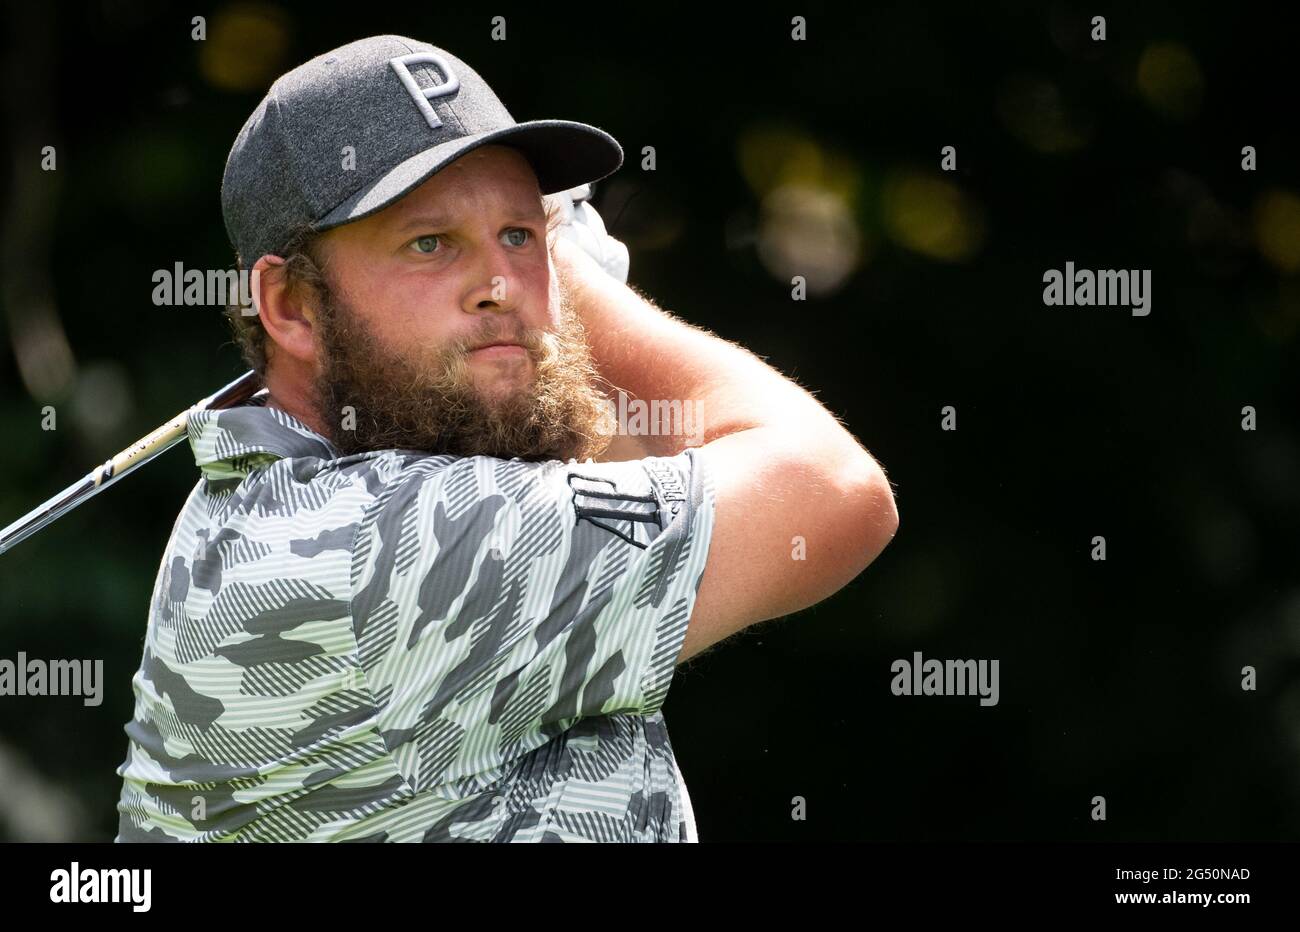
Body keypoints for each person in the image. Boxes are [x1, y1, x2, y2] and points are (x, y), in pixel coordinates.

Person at [114, 34, 898, 842]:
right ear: (289, 306)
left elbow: (633, 463)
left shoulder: (268, 507)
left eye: (518, 236)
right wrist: (583, 288)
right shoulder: (385, 546)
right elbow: (830, 489)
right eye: (431, 242)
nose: (502, 288)